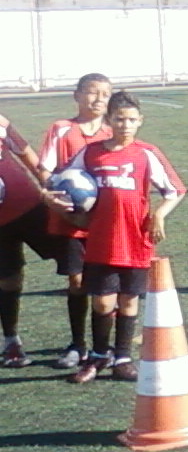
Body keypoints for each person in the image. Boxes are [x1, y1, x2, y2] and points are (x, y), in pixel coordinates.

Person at [46, 91, 186, 384]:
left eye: (132, 120)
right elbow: (62, 179)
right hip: (100, 239)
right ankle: (99, 355)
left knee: (129, 299)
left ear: (140, 122)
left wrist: (158, 215)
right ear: (109, 120)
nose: (126, 125)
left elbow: (175, 191)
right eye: (120, 119)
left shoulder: (147, 153)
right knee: (101, 302)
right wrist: (58, 201)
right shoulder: (92, 152)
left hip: (135, 238)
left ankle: (122, 357)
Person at [35, 72, 114, 369]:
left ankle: (102, 348)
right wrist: (53, 196)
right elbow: (45, 169)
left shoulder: (111, 133)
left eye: (105, 94)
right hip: (70, 219)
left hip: (105, 222)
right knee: (77, 281)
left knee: (106, 286)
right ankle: (77, 344)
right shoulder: (62, 129)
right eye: (92, 92)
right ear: (77, 95)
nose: (98, 99)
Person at [0, 109, 56, 368]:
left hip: (32, 208)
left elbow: (29, 157)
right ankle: (11, 342)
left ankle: (91, 345)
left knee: (77, 263)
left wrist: (51, 188)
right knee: (8, 280)